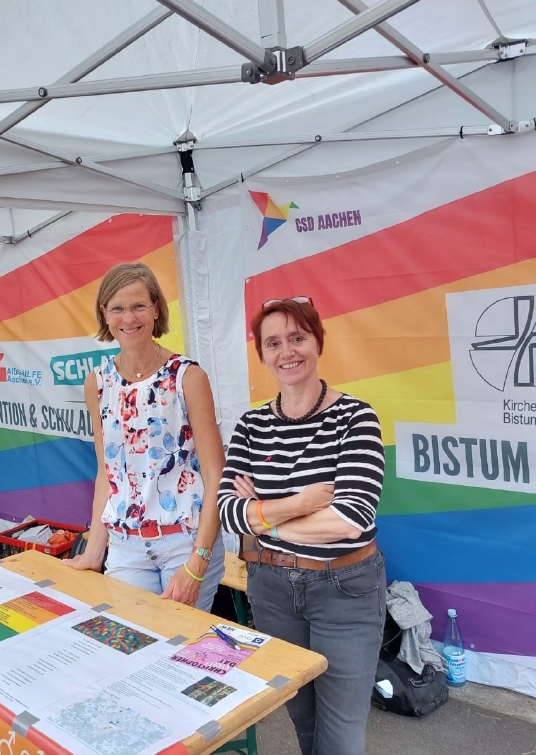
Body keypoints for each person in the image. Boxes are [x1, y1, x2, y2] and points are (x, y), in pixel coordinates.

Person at [217, 297, 385, 755]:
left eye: (297, 338)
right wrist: (302, 503)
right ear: (263, 355)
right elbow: (227, 512)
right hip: (271, 589)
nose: (286, 351)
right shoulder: (251, 425)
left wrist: (265, 516)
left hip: (344, 589)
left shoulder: (356, 417)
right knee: (304, 721)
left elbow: (351, 518)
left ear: (317, 341)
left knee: (342, 737)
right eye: (273, 343)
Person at [65, 262, 225, 611]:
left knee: (180, 655)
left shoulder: (188, 378)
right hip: (125, 548)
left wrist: (198, 561)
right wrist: (94, 550)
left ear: (156, 309)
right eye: (117, 308)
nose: (129, 317)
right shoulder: (98, 382)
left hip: (185, 543)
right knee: (127, 651)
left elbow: (216, 477)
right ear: (104, 314)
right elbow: (107, 473)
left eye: (139, 306)